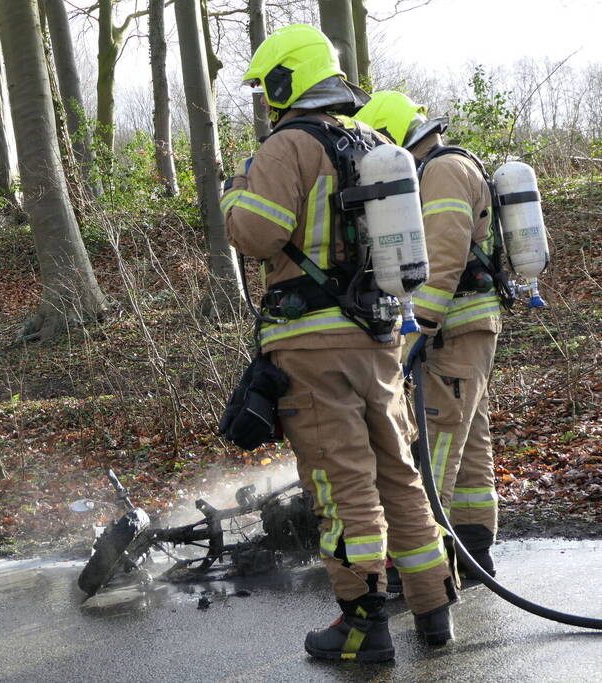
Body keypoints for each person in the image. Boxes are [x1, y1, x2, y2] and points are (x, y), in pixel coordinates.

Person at [222, 25, 456, 662]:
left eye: (266, 89)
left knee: (340, 483)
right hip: (378, 337)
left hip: (312, 344)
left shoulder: (288, 145)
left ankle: (362, 627)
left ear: (284, 81)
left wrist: (235, 193)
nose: (265, 103)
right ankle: (434, 613)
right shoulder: (379, 144)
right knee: (400, 474)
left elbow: (256, 236)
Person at [355, 90, 503, 581]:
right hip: (466, 327)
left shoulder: (441, 170)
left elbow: (441, 260)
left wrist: (410, 339)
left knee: (437, 440)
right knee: (470, 443)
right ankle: (473, 554)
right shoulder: (447, 166)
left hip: (454, 327)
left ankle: (424, 565)